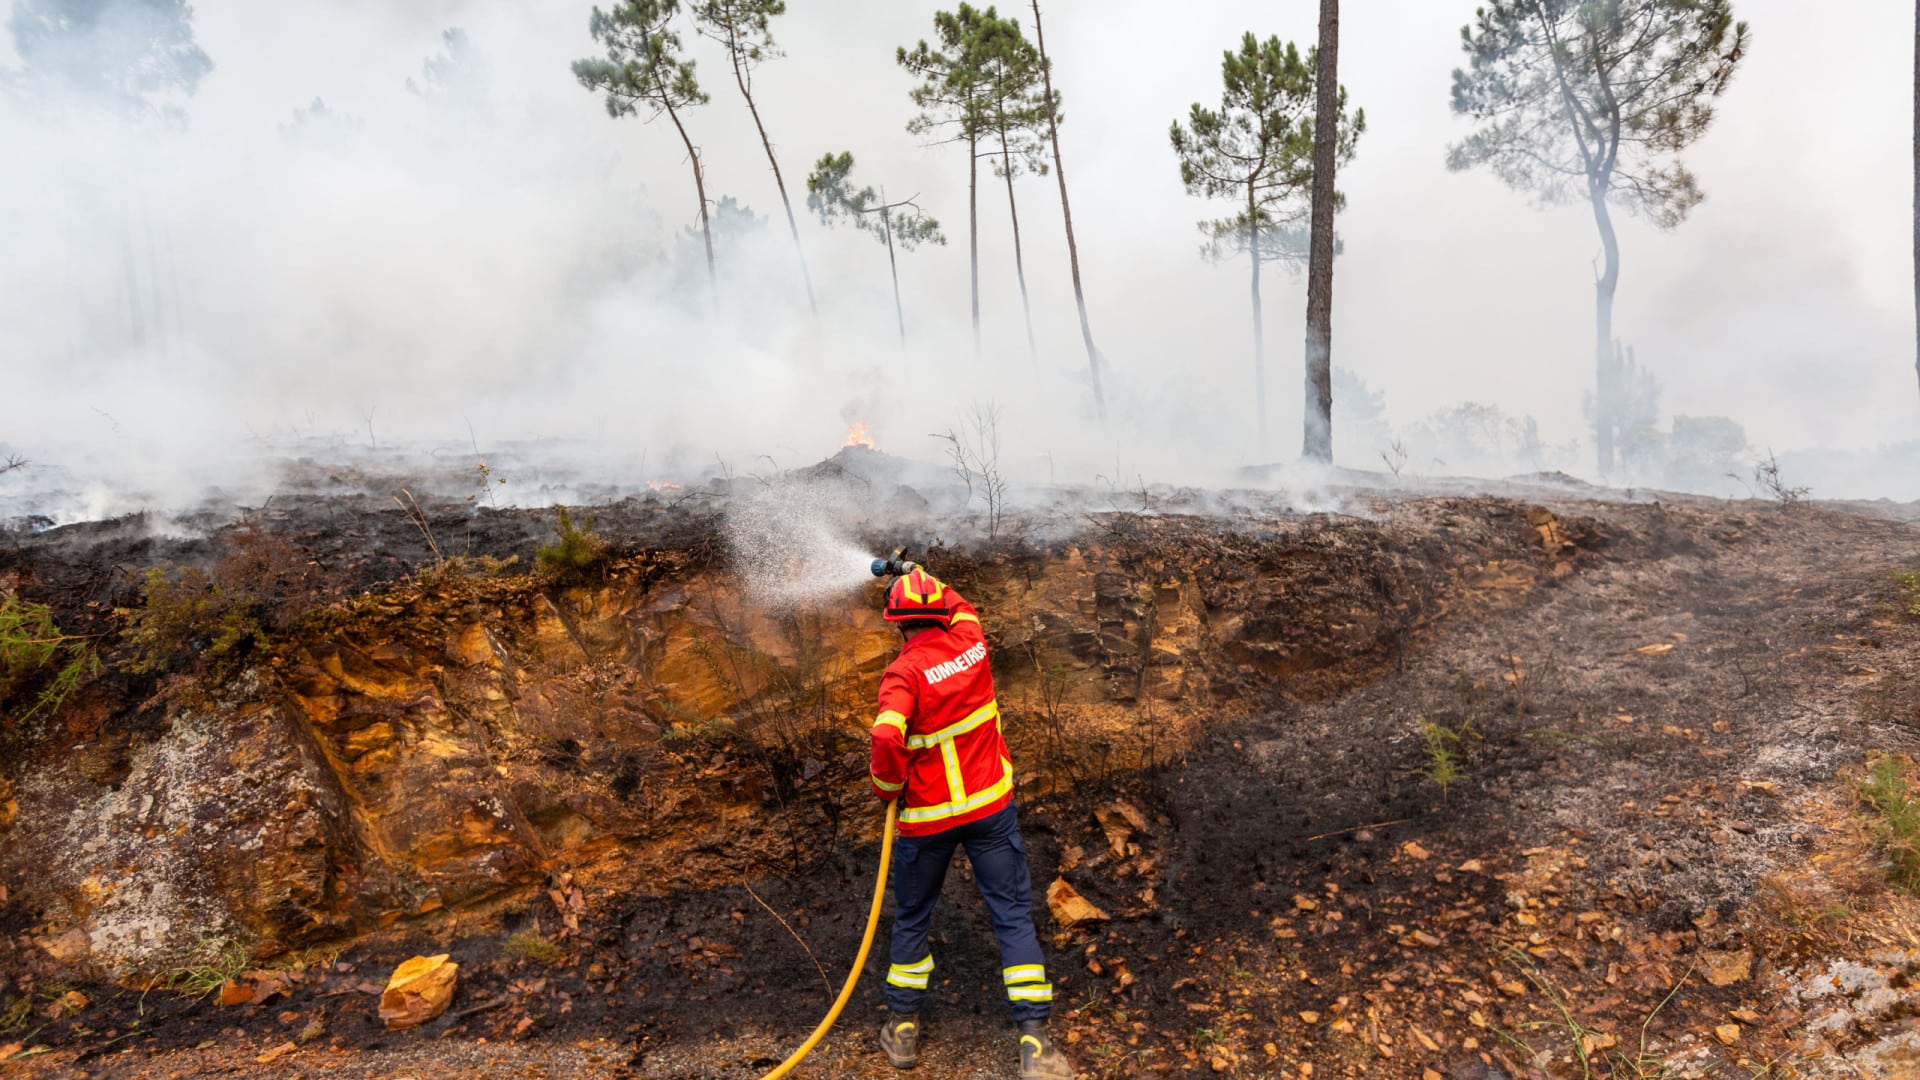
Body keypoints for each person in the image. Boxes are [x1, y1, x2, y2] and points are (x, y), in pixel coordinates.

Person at [868, 565, 1073, 1079]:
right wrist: (916, 570)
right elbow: (959, 602)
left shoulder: (904, 673)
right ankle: (1036, 1044)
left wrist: (887, 788)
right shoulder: (971, 637)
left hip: (929, 821)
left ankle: (904, 1031)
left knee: (914, 916)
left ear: (898, 625)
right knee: (1012, 916)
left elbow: (888, 736)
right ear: (940, 611)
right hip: (989, 810)